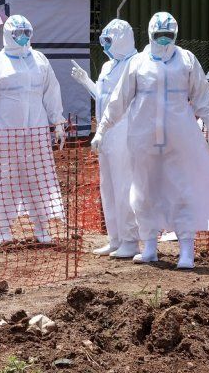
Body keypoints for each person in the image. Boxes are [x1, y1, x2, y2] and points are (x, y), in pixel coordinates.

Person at [90, 12, 209, 269]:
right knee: (144, 190)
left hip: (179, 139)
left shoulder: (186, 60)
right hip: (143, 139)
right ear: (151, 35)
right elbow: (119, 100)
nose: (164, 40)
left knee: (182, 189)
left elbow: (201, 96)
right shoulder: (138, 63)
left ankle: (186, 250)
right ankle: (149, 246)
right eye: (159, 35)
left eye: (168, 35)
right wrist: (102, 130)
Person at [0, 15, 67, 245]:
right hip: (4, 131)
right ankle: (4, 230)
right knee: (4, 179)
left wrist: (58, 121)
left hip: (36, 130)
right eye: (18, 33)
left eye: (27, 32)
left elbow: (52, 92)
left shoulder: (40, 60)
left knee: (39, 177)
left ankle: (41, 227)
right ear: (8, 34)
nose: (23, 37)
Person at [71, 19, 140, 258]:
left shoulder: (136, 64)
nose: (106, 45)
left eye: (109, 40)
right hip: (105, 132)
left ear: (122, 39)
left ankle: (130, 240)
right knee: (108, 187)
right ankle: (115, 239)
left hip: (125, 130)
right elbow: (103, 97)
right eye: (104, 40)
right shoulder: (107, 66)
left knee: (124, 186)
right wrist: (86, 82)